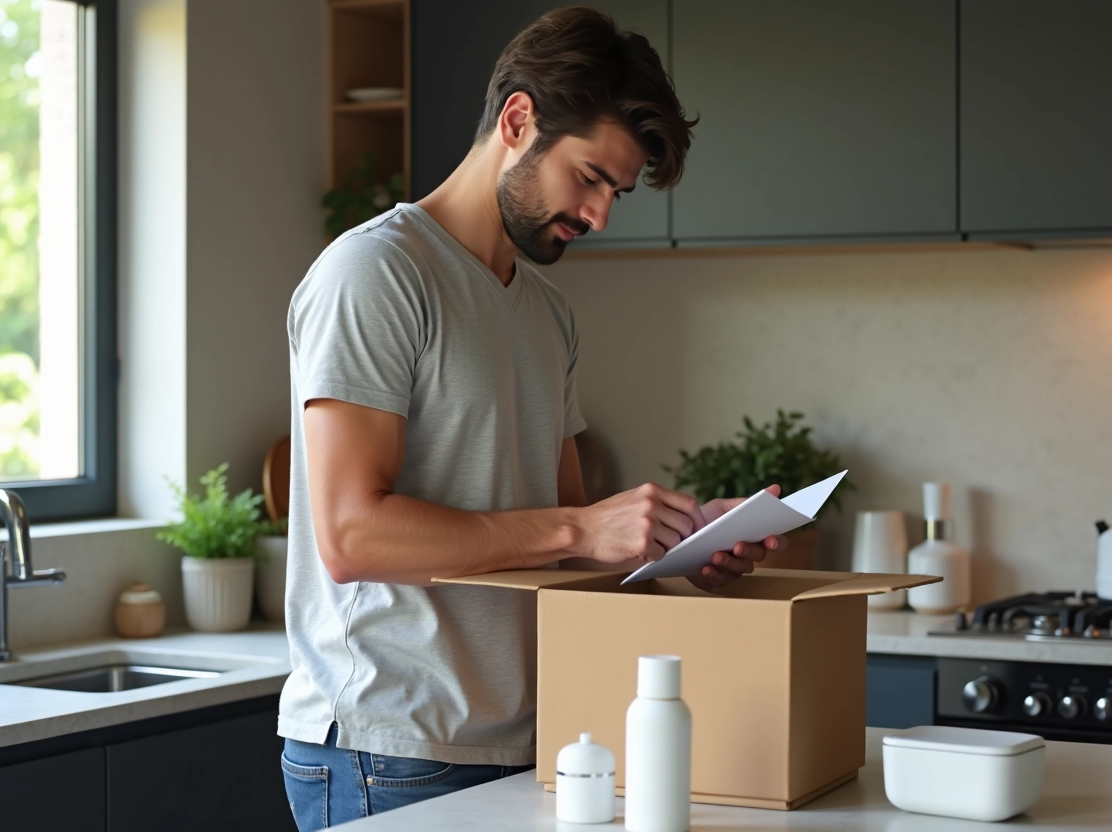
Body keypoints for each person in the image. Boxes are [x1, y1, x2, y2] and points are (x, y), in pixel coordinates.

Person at [277, 7, 785, 830]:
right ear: (518, 121)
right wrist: (583, 531)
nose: (599, 216)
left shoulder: (547, 313)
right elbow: (352, 538)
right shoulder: (375, 273)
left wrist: (683, 547)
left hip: (526, 744)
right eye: (589, 178)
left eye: (615, 192)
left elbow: (564, 543)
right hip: (392, 748)